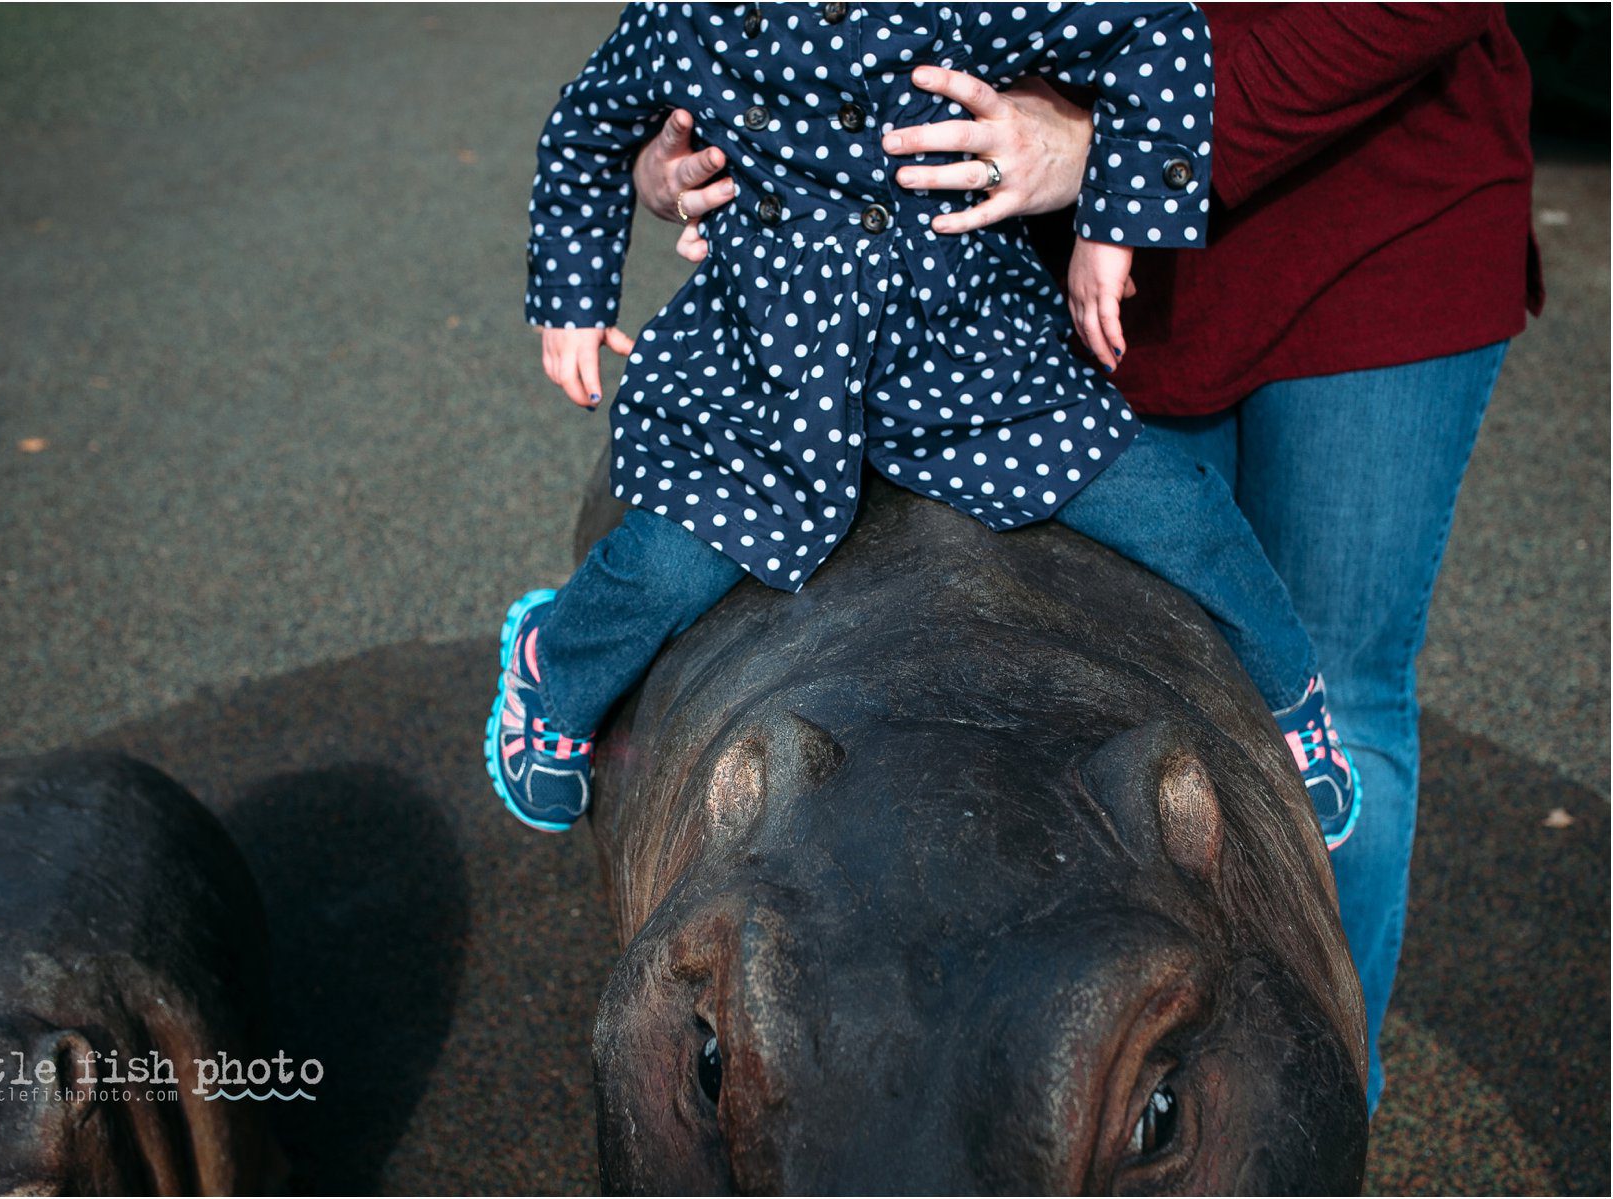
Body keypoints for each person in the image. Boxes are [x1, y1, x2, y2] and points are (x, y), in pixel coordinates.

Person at [635, 2, 1539, 1116]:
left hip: (1371, 220)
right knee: (1104, 707)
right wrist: (700, 130)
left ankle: (1308, 1121)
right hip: (1079, 253)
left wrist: (1119, 148)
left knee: (1336, 697)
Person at [489, 2, 1358, 844]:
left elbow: (1152, 27)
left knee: (1176, 510)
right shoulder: (687, 16)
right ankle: (552, 671)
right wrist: (571, 300)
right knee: (664, 564)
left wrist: (1111, 228)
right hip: (770, 378)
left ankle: (1290, 700)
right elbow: (587, 126)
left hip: (968, 360)